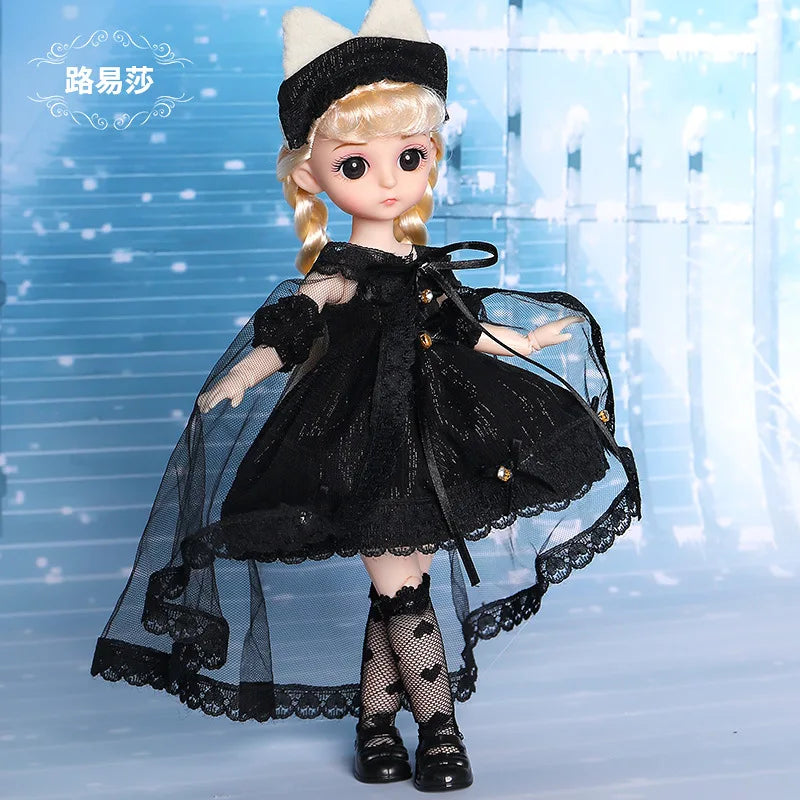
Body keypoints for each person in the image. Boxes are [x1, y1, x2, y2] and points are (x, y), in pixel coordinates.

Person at [90, 0, 642, 793]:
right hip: (356, 442)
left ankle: (376, 727)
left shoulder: (423, 267)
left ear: (430, 154)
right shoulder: (341, 269)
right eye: (356, 164)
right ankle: (440, 733)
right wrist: (250, 369)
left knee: (400, 585)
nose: (387, 179)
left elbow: (463, 331)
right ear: (308, 174)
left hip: (437, 440)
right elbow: (295, 322)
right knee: (401, 585)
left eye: (408, 156)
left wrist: (526, 342)